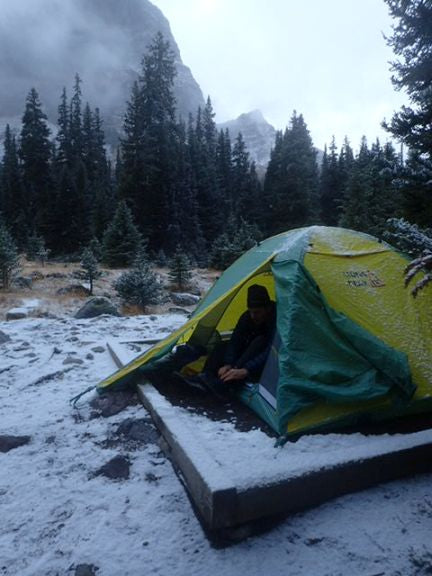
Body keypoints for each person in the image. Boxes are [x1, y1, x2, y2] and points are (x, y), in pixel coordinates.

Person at [202, 283, 277, 388]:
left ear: (267, 308)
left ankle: (226, 383)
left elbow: (272, 351)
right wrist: (228, 363)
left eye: (257, 312)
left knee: (259, 341)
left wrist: (246, 369)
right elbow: (235, 340)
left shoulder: (277, 320)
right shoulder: (247, 317)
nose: (253, 316)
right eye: (250, 312)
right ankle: (205, 377)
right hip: (246, 353)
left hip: (266, 359)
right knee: (222, 346)